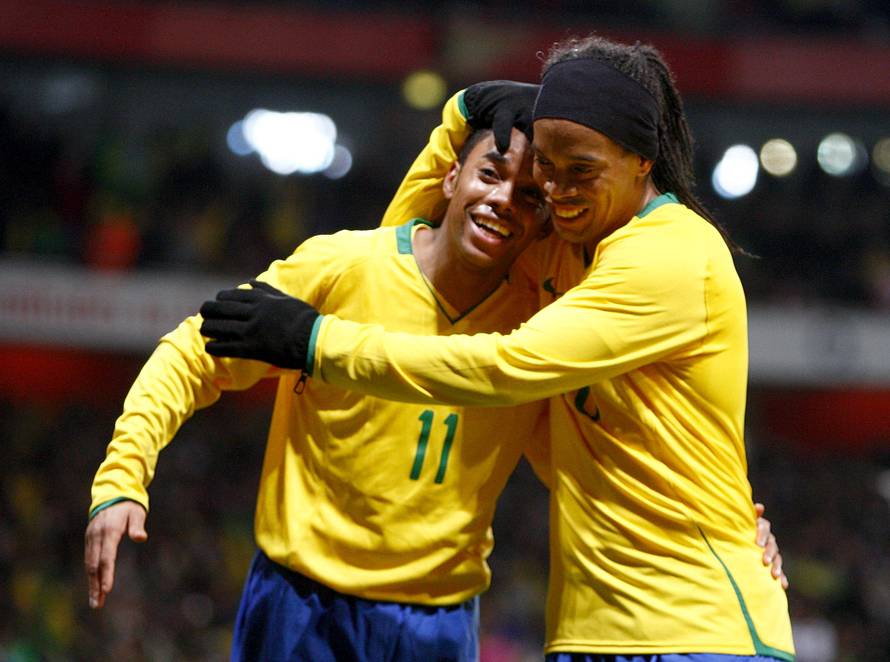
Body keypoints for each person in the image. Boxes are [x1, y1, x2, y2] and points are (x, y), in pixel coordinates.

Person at [200, 35, 795, 661]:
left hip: (702, 628)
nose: (559, 190)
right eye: (547, 168)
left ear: (642, 160)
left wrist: (316, 341)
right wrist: (461, 116)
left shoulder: (672, 255)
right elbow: (414, 257)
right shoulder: (559, 249)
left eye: (582, 170)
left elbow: (500, 367)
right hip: (595, 627)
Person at [85, 126, 552, 661]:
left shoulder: (543, 322)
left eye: (529, 195)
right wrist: (122, 477)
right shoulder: (344, 266)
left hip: (439, 620)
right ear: (449, 177)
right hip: (302, 603)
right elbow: (193, 352)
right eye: (489, 174)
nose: (503, 200)